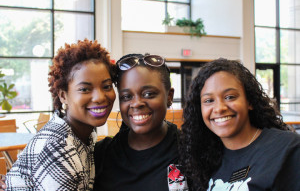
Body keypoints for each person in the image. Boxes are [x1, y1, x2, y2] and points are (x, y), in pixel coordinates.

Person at [4, 39, 116, 190]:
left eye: (107, 86)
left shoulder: (84, 135)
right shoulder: (57, 147)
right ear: (63, 95)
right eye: (84, 89)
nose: (100, 97)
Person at [179, 58, 300, 191]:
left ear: (250, 101)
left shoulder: (287, 148)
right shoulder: (204, 158)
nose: (219, 108)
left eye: (230, 97)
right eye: (209, 100)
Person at [93, 54, 189, 191]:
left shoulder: (190, 150)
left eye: (148, 94)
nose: (137, 103)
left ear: (169, 96)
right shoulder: (101, 155)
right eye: (127, 96)